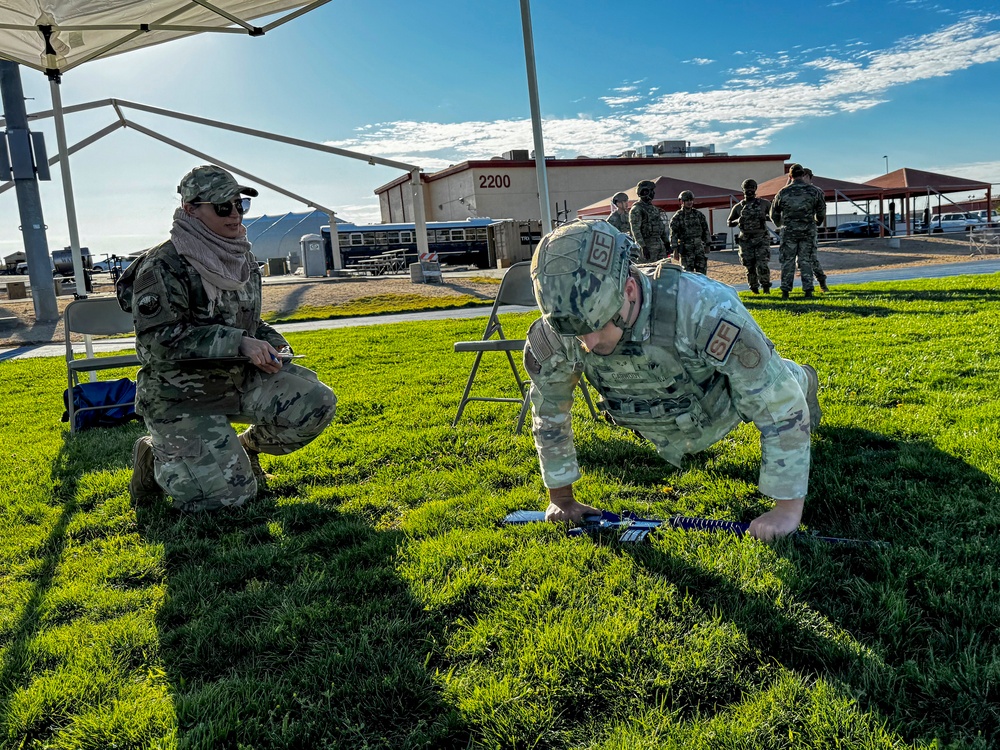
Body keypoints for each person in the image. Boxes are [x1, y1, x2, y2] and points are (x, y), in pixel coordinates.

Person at [523, 219, 821, 542]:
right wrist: (561, 498)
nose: (590, 343)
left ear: (629, 290)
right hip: (667, 418)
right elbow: (549, 407)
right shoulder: (561, 328)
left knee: (780, 382)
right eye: (578, 332)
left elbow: (775, 400)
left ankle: (804, 378)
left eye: (600, 325)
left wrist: (786, 510)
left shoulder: (703, 308)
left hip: (723, 404)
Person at [117, 164, 337, 512]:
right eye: (223, 207)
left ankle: (242, 448)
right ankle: (153, 455)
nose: (235, 214)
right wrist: (238, 343)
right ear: (191, 209)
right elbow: (160, 341)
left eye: (239, 205)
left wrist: (274, 343)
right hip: (179, 394)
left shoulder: (240, 256)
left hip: (234, 380)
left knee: (316, 403)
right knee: (229, 500)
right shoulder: (164, 265)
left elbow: (249, 322)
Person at [770, 163, 826, 299]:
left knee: (787, 260)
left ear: (790, 176)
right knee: (805, 260)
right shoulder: (815, 191)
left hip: (789, 231)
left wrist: (780, 224)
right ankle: (808, 290)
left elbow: (773, 213)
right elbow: (821, 211)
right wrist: (816, 222)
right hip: (808, 230)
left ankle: (785, 290)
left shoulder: (783, 192)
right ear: (803, 174)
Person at [727, 179, 772, 294]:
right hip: (746, 240)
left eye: (752, 187)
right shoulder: (738, 207)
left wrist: (765, 217)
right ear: (743, 189)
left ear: (755, 189)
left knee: (762, 264)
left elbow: (775, 217)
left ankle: (766, 287)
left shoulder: (764, 204)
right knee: (749, 266)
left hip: (761, 239)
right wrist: (738, 220)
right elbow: (729, 222)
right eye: (747, 188)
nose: (749, 190)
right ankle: (754, 288)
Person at [801, 168, 830, 293]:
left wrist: (816, 223)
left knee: (811, 258)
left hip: (808, 229)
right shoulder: (795, 191)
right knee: (800, 260)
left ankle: (821, 282)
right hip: (795, 231)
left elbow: (821, 211)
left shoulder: (816, 191)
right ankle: (809, 285)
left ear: (806, 176)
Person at [669, 190, 711, 274]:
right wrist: (675, 250)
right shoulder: (677, 217)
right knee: (688, 274)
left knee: (702, 273)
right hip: (686, 249)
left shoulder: (698, 215)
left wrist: (707, 244)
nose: (689, 202)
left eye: (691, 200)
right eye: (687, 200)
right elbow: (674, 234)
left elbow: (705, 230)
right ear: (681, 202)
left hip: (699, 248)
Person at [628, 180, 669, 262]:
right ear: (644, 192)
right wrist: (643, 246)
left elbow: (661, 226)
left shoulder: (654, 209)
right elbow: (636, 230)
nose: (653, 193)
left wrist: (667, 243)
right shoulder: (637, 209)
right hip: (647, 246)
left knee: (663, 270)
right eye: (651, 191)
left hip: (659, 245)